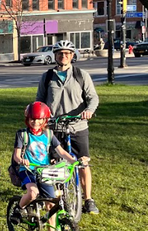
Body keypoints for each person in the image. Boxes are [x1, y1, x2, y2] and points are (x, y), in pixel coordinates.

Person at [35, 39, 100, 214]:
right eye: (60, 53)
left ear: (72, 56)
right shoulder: (48, 76)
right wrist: (38, 116)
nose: (63, 56)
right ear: (55, 56)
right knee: (54, 163)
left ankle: (88, 199)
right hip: (54, 126)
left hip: (77, 126)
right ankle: (56, 196)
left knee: (82, 163)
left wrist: (89, 110)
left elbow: (93, 97)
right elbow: (40, 100)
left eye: (67, 53)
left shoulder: (81, 75)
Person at [9, 102, 77, 231]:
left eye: (39, 119)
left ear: (45, 120)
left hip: (44, 171)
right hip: (27, 169)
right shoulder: (22, 134)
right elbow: (16, 155)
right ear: (27, 119)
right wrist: (21, 160)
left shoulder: (49, 134)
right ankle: (18, 208)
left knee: (51, 203)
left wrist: (74, 161)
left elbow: (61, 151)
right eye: (32, 119)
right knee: (33, 193)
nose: (35, 122)